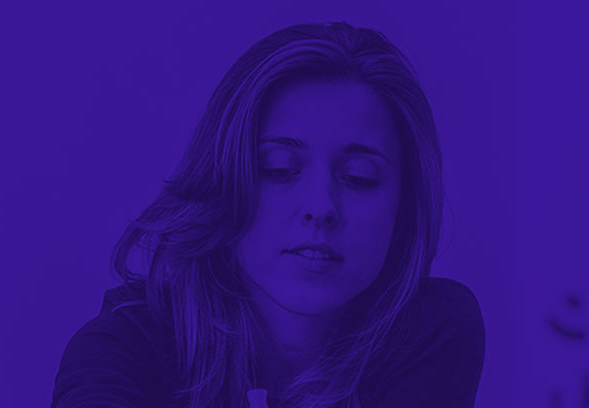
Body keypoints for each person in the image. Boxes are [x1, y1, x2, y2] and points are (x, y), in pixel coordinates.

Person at [51, 22, 484, 408]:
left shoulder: (433, 329)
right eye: (278, 169)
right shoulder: (121, 346)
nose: (320, 208)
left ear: (404, 209)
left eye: (359, 177)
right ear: (223, 182)